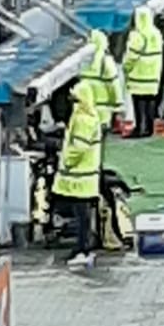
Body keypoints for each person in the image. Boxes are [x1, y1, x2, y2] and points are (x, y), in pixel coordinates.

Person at [52, 78, 103, 271]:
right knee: (83, 215)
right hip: (86, 177)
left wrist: (66, 161)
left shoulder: (82, 120)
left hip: (80, 176)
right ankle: (83, 248)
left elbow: (78, 147)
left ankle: (82, 249)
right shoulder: (89, 117)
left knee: (81, 216)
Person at [123, 6, 164, 138]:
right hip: (154, 73)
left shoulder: (137, 35)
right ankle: (150, 128)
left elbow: (132, 55)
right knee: (150, 100)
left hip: (139, 73)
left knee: (138, 101)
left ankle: (140, 127)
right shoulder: (156, 33)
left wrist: (126, 67)